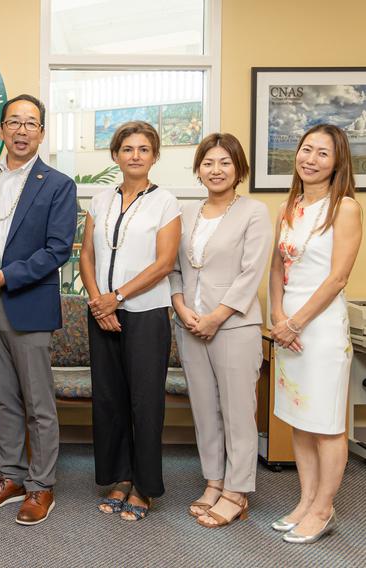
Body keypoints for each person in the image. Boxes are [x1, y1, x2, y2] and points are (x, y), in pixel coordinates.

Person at [0, 94, 78, 526]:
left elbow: (58, 250)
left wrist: (8, 276)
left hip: (26, 298)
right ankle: (10, 477)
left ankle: (41, 485)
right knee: (3, 398)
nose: (22, 130)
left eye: (31, 123)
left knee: (38, 401)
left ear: (42, 132)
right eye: (14, 122)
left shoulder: (58, 184)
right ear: (2, 131)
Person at [79, 120, 181, 521]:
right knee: (108, 400)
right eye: (127, 149)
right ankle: (119, 477)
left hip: (145, 315)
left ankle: (144, 486)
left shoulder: (166, 202)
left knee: (145, 403)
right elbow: (86, 254)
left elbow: (164, 264)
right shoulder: (100, 199)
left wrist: (116, 298)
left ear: (154, 156)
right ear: (115, 155)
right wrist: (98, 302)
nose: (135, 156)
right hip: (100, 314)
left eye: (143, 149)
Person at [169, 133, 271, 527]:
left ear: (238, 168)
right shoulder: (188, 214)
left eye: (225, 163)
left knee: (238, 411)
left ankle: (237, 490)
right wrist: (181, 308)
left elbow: (251, 273)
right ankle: (214, 481)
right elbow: (176, 270)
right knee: (204, 410)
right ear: (198, 169)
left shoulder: (254, 212)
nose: (216, 170)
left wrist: (216, 317)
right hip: (189, 326)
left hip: (234, 327)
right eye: (208, 163)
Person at [268, 123, 361, 544]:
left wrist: (296, 322)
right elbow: (276, 269)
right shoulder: (292, 205)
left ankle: (324, 510)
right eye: (306, 150)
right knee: (299, 421)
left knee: (326, 423)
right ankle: (305, 502)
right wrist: (276, 317)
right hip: (287, 327)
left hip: (319, 329)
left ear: (338, 161)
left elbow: (338, 277)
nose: (311, 159)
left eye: (323, 153)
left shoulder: (345, 208)